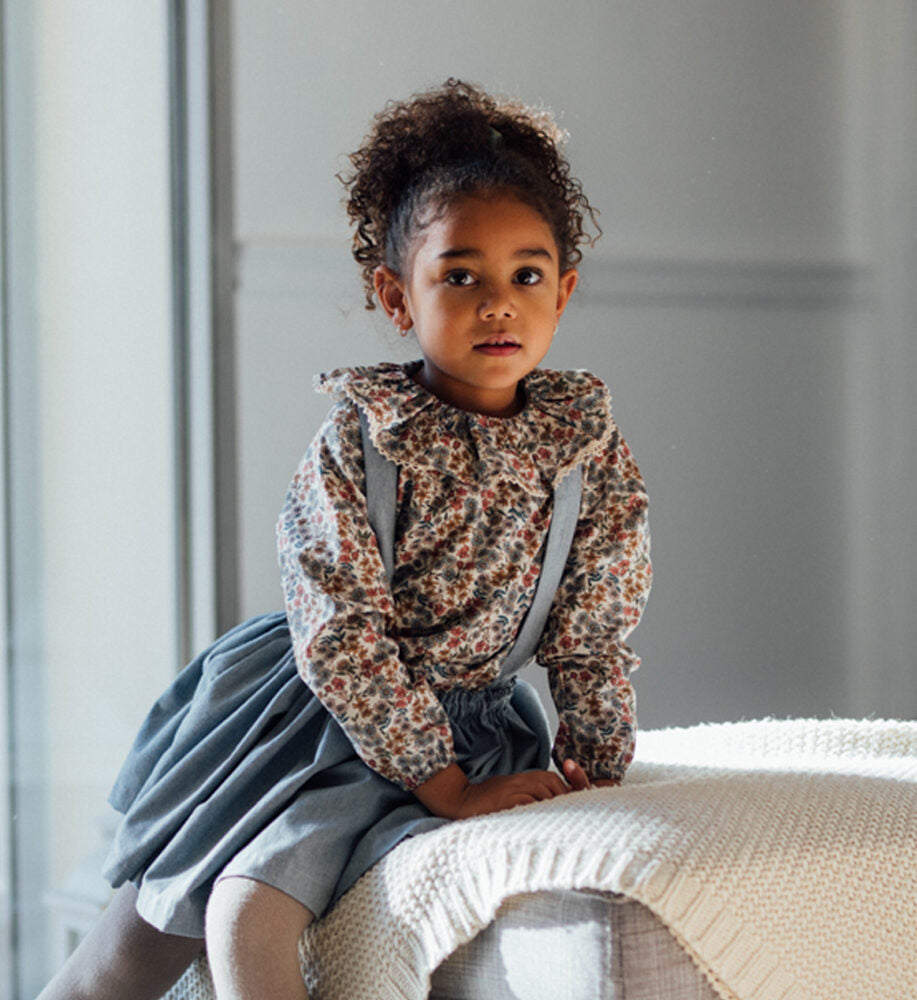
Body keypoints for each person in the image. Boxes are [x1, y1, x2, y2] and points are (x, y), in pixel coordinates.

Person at [38, 78, 652, 1000]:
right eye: (459, 275)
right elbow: (340, 631)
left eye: (526, 275)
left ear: (563, 293)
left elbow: (592, 628)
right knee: (169, 939)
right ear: (395, 296)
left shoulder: (584, 451)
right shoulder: (363, 441)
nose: (497, 304)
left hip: (478, 726)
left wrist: (595, 767)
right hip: (317, 720)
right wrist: (439, 785)